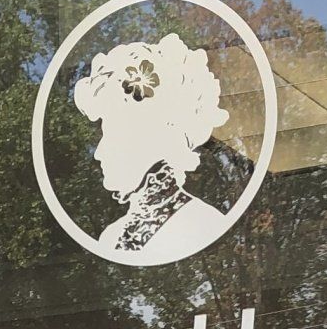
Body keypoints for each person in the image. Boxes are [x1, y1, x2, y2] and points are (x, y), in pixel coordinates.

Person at [73, 32, 230, 262]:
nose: (98, 152)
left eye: (110, 132)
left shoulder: (205, 224)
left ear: (145, 136)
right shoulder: (111, 238)